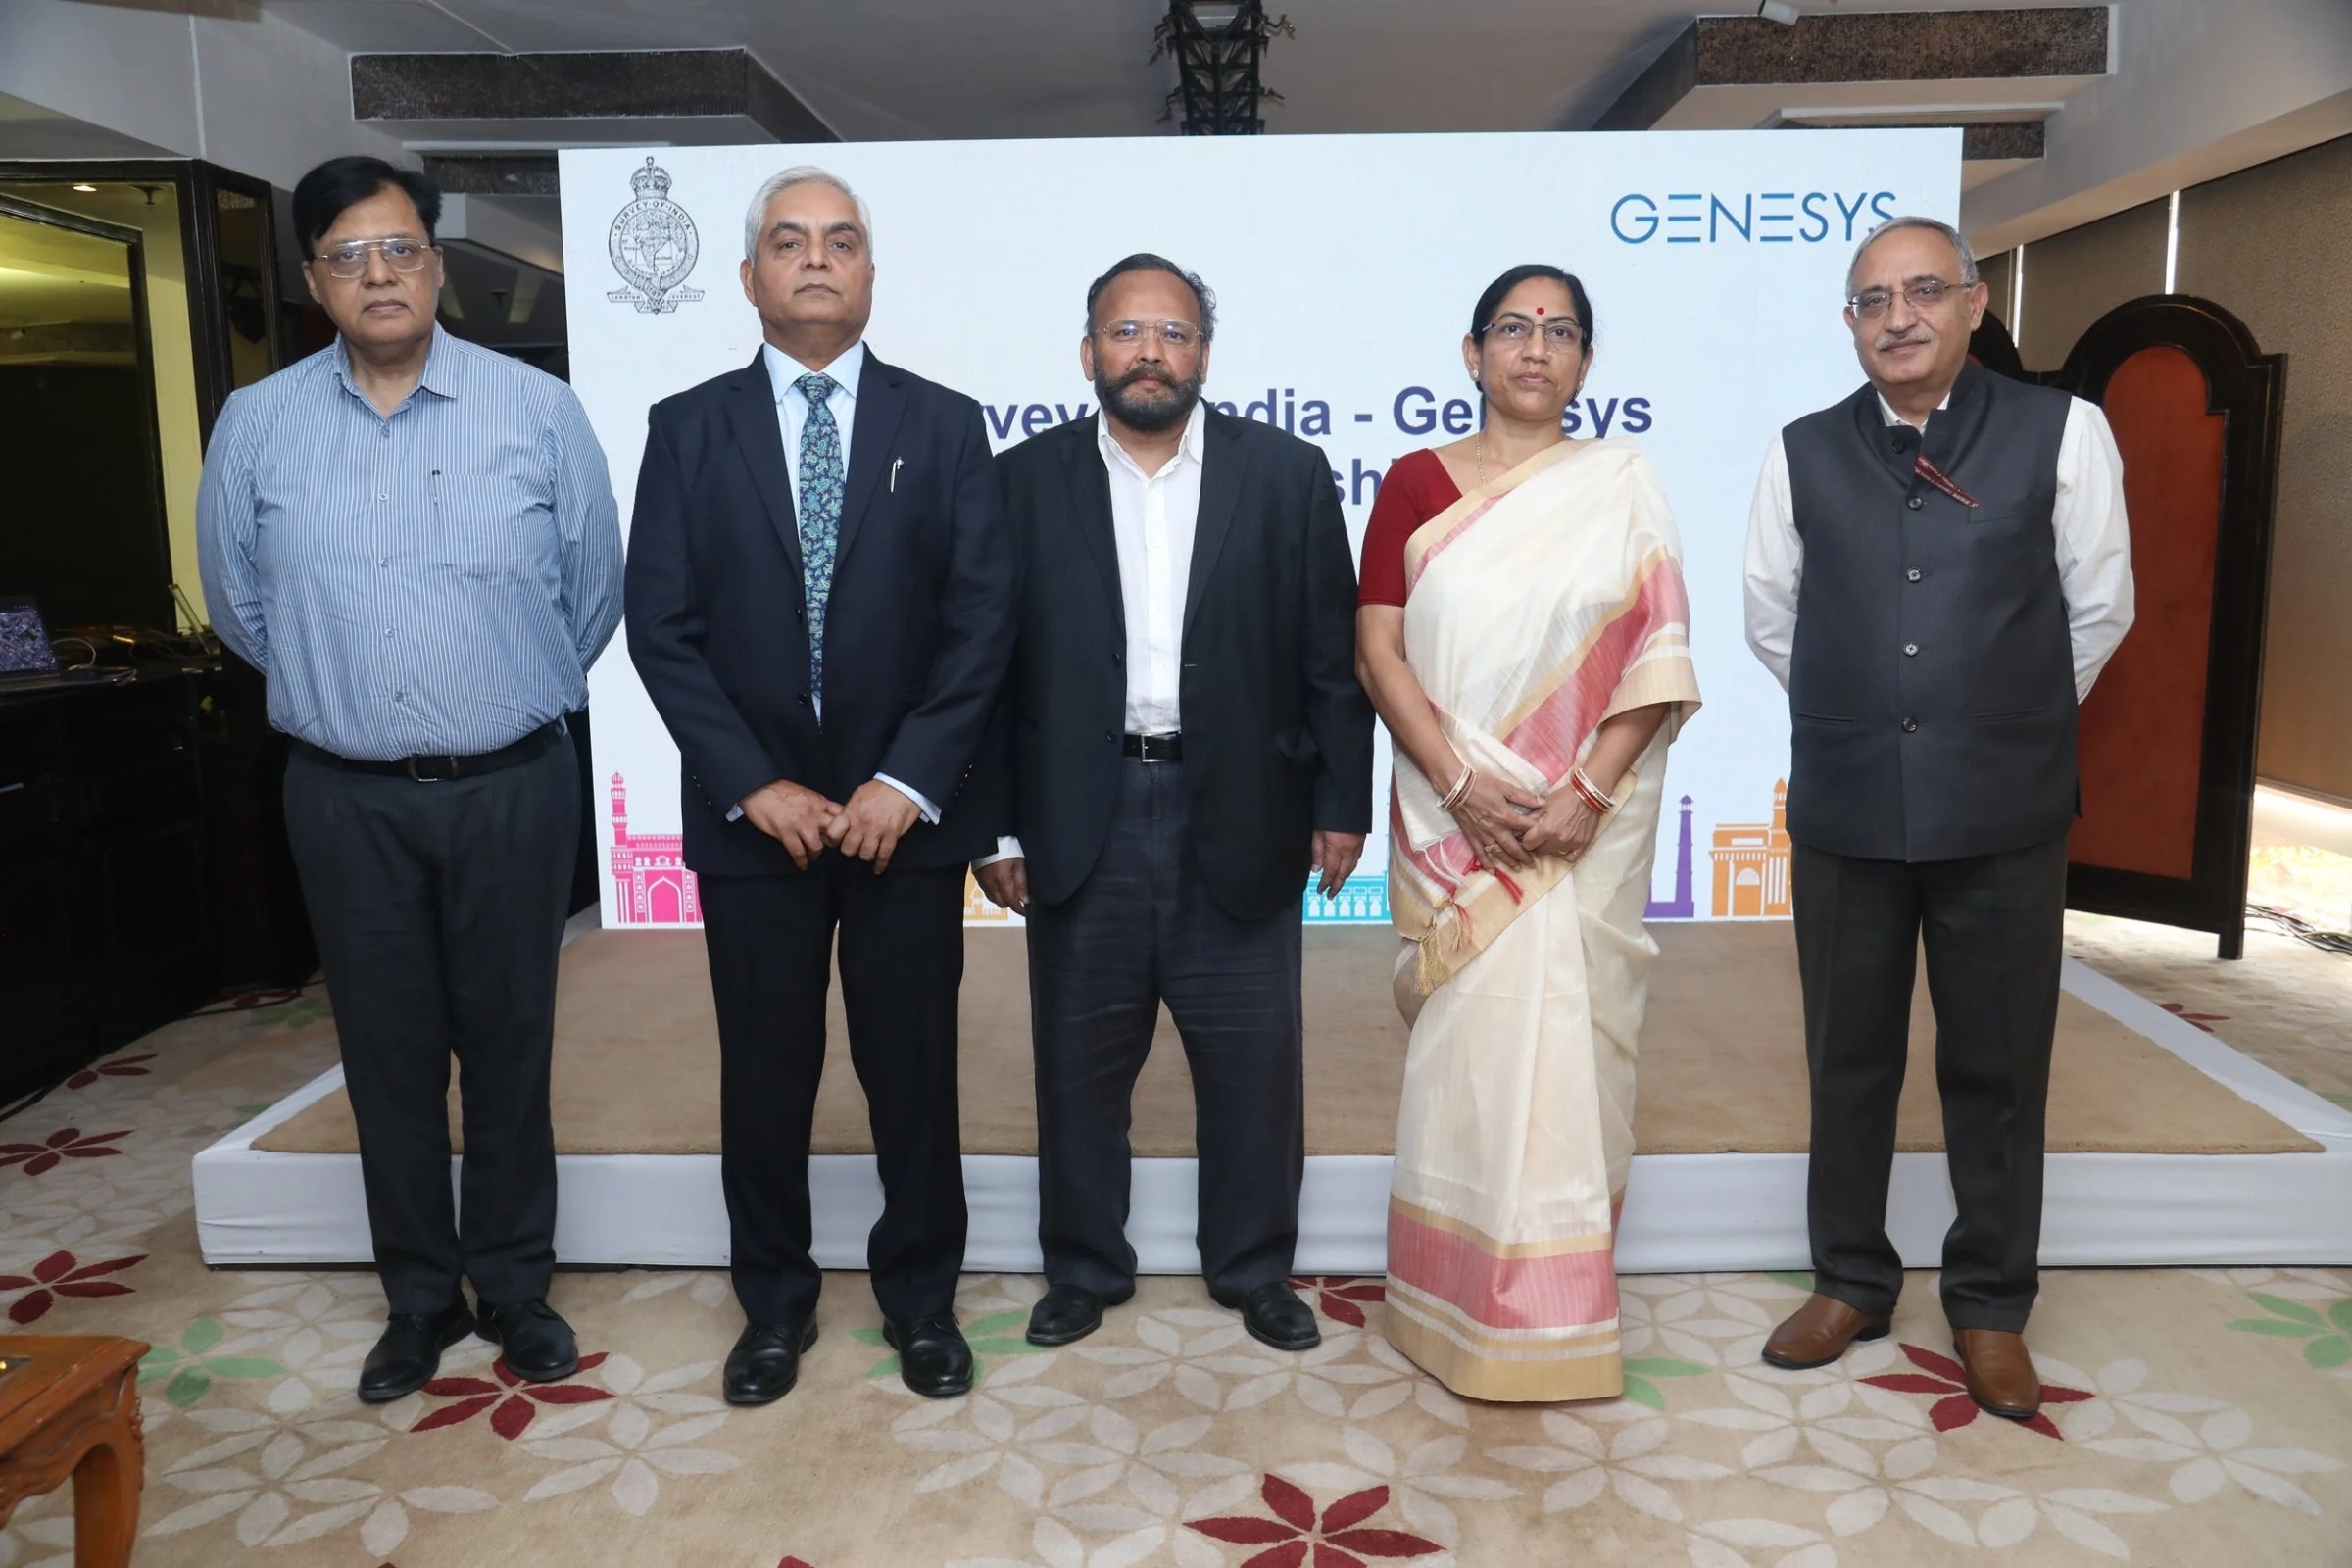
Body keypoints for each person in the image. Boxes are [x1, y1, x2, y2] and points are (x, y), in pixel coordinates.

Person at [197, 156, 623, 1402]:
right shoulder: (258, 423)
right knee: (385, 1055)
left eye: (399, 249)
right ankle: (420, 1301)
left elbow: (592, 595)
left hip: (512, 784)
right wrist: (349, 693)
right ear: (313, 280)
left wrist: (492, 689)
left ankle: (517, 1286)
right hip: (345, 797)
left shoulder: (536, 408)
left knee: (509, 1045)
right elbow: (239, 605)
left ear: (438, 266)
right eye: (348, 255)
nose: (377, 274)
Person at [624, 167, 1011, 1405]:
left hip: (904, 826)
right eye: (789, 242)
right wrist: (755, 784)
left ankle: (923, 1302)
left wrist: (908, 778)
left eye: (841, 242)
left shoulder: (944, 425)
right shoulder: (688, 427)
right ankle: (773, 1306)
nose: (816, 260)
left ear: (871, 274)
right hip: (758, 829)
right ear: (749, 277)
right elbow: (660, 629)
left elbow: (982, 622)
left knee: (915, 1075)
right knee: (765, 1078)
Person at [1743, 216, 2133, 1419]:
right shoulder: (1801, 450)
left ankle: (1991, 1303)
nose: (1897, 316)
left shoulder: (2065, 430)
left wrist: (1990, 718)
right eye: (1873, 299)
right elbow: (1773, 617)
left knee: (1999, 1063)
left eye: (1923, 291)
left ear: (1974, 304)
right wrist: (1881, 718)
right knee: (1847, 1055)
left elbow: (2099, 607)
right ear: (1849, 323)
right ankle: (1849, 1280)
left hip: (2004, 811)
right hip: (1850, 804)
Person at [974, 255, 1374, 1353]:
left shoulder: (1285, 474)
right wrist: (993, 825)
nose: (1150, 352)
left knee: (1255, 1068)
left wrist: (1342, 802)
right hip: (1080, 814)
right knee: (1078, 1066)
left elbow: (1330, 658)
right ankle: (1083, 1268)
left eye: (1174, 333)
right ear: (1087, 352)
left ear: (1204, 353)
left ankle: (1254, 1267)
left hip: (1240, 810)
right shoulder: (1020, 482)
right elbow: (989, 671)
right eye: (1126, 331)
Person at [1353, 265, 1701, 1401]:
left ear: (1587, 361)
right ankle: (1448, 1304)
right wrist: (1458, 782)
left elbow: (1657, 656)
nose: (1535, 348)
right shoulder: (1414, 484)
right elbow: (1378, 651)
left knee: (1573, 1054)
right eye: (1513, 327)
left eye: (1560, 331)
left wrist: (1587, 793)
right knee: (1472, 1059)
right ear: (1473, 352)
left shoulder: (1622, 486)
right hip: (1460, 823)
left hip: (1583, 829)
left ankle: (1559, 1313)